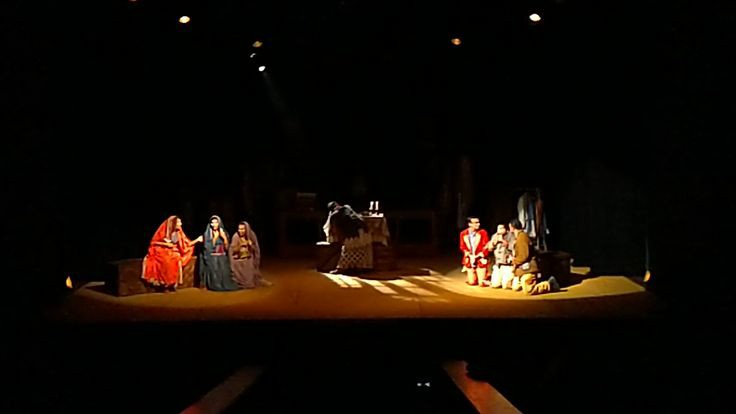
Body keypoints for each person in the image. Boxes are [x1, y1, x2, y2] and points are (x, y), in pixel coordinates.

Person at [141, 216, 203, 290]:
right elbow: (153, 242)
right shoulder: (163, 230)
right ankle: (163, 282)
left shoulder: (179, 232)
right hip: (160, 249)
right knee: (164, 260)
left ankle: (171, 282)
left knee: (175, 258)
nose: (181, 224)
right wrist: (165, 244)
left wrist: (197, 240)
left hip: (173, 250)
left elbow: (186, 243)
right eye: (178, 222)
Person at [508, 218, 559, 294]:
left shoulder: (522, 237)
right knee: (515, 286)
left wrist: (513, 261)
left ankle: (549, 284)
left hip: (528, 268)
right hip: (521, 267)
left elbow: (523, 256)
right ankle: (528, 281)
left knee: (528, 290)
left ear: (512, 227)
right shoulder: (518, 237)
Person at [323, 201, 373, 274]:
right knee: (361, 250)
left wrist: (339, 240)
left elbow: (336, 230)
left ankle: (342, 268)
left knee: (347, 251)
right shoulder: (347, 207)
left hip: (354, 233)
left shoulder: (334, 215)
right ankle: (360, 267)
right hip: (364, 231)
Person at [199, 215, 240, 291]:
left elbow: (227, 248)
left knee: (223, 267)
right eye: (212, 223)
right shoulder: (207, 234)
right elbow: (207, 248)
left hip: (222, 256)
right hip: (211, 257)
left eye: (216, 222)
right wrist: (214, 238)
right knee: (212, 265)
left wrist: (224, 237)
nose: (214, 224)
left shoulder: (223, 233)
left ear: (219, 223)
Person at [229, 221, 271, 288]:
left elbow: (255, 249)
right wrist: (241, 245)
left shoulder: (251, 235)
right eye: (239, 229)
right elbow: (233, 250)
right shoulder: (236, 236)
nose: (240, 231)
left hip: (248, 260)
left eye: (242, 229)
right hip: (239, 261)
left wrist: (250, 245)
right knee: (243, 282)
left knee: (252, 280)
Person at [459, 216, 490, 286]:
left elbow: (486, 246)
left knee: (481, 283)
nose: (478, 224)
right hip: (470, 259)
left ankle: (485, 275)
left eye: (478, 222)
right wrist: (467, 253)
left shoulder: (483, 232)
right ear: (469, 224)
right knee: (472, 282)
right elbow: (462, 246)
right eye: (475, 223)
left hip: (480, 258)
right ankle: (474, 274)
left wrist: (480, 255)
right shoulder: (463, 233)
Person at [487, 224, 514, 288]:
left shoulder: (511, 235)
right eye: (498, 228)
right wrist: (494, 243)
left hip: (507, 264)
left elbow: (512, 248)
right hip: (498, 264)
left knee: (505, 286)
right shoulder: (495, 236)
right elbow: (489, 248)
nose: (499, 230)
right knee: (495, 285)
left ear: (505, 229)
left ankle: (510, 280)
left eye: (501, 228)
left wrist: (502, 240)